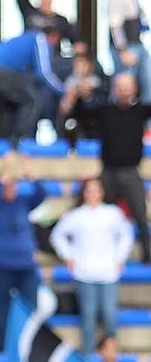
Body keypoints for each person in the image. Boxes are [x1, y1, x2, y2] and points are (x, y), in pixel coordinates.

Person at [50, 176, 134, 359]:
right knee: (88, 316)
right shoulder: (76, 215)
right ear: (84, 193)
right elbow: (57, 235)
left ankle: (110, 356)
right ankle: (88, 355)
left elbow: (126, 235)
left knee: (110, 315)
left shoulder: (113, 213)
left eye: (96, 190)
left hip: (108, 272)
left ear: (101, 192)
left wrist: (120, 257)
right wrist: (69, 256)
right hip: (85, 273)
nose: (93, 193)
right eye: (89, 190)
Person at [74, 72, 151, 263]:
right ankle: (100, 253)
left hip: (131, 172)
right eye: (120, 87)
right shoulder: (105, 110)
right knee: (101, 215)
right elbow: (81, 114)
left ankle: (148, 255)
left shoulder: (141, 110)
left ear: (134, 89)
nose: (124, 91)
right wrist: (80, 96)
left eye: (127, 86)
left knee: (140, 216)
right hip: (107, 172)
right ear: (115, 89)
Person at [0, 161, 47, 353]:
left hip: (25, 266)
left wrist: (28, 174)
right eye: (7, 185)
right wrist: (5, 172)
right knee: (1, 312)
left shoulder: (22, 203)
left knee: (30, 311)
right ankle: (1, 350)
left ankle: (28, 350)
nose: (11, 188)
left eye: (13, 185)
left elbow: (41, 194)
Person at [0, 25, 65, 146]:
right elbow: (44, 73)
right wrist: (63, 90)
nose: (54, 46)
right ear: (54, 36)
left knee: (12, 105)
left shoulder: (26, 38)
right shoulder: (40, 39)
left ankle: (4, 145)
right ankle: (20, 142)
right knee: (33, 100)